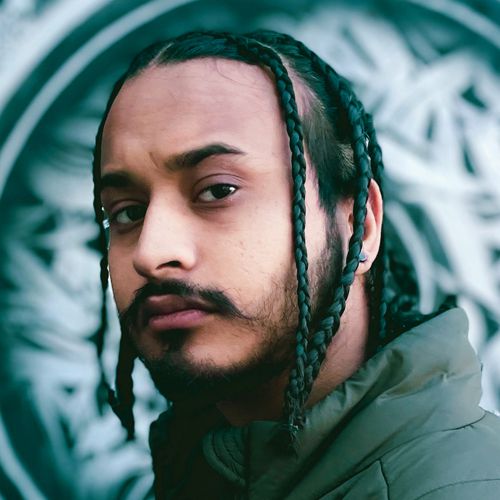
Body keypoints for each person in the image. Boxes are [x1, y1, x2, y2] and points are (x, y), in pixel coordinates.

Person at [91, 30, 500, 499]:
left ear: (358, 226)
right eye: (127, 212)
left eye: (218, 190)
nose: (149, 252)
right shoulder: (204, 467)